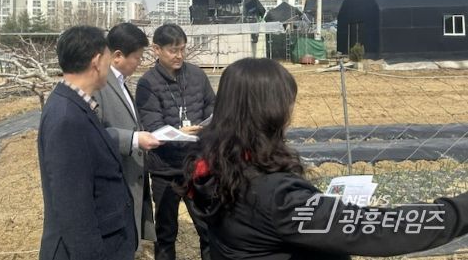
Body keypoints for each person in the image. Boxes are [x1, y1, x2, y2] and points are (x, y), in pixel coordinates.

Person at [183, 58, 468, 260]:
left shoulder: (215, 168)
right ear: (271, 112)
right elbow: (377, 228)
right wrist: (460, 210)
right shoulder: (274, 197)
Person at [38, 25, 137, 260]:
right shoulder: (67, 118)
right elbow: (73, 208)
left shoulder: (75, 104)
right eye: (108, 59)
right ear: (97, 61)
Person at [136, 23, 214, 260]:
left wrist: (207, 125)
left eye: (182, 49)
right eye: (173, 50)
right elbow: (152, 125)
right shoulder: (147, 83)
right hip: (165, 169)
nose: (179, 55)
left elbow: (212, 105)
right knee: (166, 231)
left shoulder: (197, 75)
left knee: (208, 228)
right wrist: (179, 132)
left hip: (196, 165)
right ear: (156, 49)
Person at [95, 23, 161, 249]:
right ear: (117, 56)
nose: (139, 63)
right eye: (137, 58)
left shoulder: (120, 82)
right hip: (116, 180)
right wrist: (134, 139)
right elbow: (93, 133)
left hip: (131, 177)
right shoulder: (100, 84)